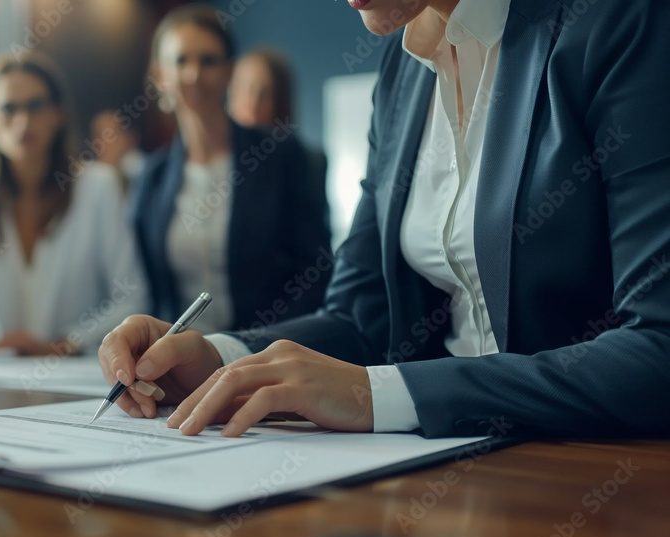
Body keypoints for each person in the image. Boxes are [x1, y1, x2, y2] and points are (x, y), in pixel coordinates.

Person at [99, 0, 670, 439]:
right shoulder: (404, 64)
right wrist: (219, 359)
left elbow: (658, 347)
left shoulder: (620, 22)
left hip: (592, 476)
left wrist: (380, 394)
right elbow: (362, 315)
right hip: (441, 473)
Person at [131, 4, 332, 337]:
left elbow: (315, 268)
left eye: (208, 60)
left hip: (268, 353)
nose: (195, 74)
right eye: (181, 60)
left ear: (229, 70)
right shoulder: (150, 178)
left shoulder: (280, 154)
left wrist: (261, 345)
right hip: (180, 358)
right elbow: (150, 290)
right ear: (159, 75)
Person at [0, 52, 147, 356]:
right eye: (8, 108)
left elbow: (131, 299)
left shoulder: (98, 187)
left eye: (35, 106)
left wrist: (68, 342)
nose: (22, 121)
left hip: (76, 374)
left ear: (57, 113)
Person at [228, 47, 330, 240]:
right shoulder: (217, 160)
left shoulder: (308, 163)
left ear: (280, 100)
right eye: (243, 88)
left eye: (264, 93)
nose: (252, 102)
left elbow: (313, 243)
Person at [88, 110, 145, 197]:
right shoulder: (94, 177)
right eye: (111, 136)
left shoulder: (133, 167)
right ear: (97, 145)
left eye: (121, 132)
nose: (120, 140)